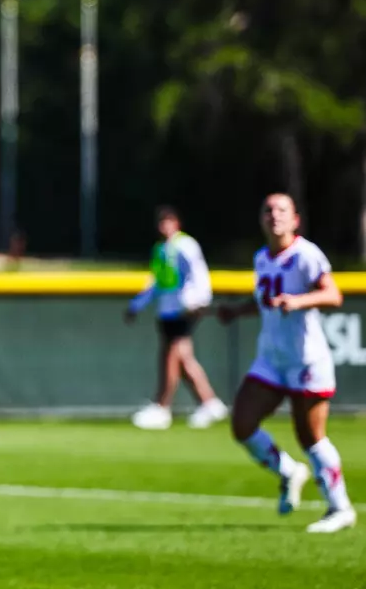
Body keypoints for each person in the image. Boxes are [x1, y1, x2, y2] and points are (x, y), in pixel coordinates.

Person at [217, 193, 355, 534]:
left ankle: (340, 507)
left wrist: (299, 301)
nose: (273, 216)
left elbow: (332, 295)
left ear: (295, 220)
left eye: (281, 210)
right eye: (267, 210)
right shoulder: (262, 257)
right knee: (242, 424)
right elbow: (265, 300)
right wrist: (237, 311)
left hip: (305, 358)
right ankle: (288, 472)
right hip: (272, 357)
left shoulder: (306, 255)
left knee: (310, 436)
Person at [124, 206, 225, 429]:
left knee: (171, 355)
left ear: (177, 224)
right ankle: (210, 402)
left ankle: (162, 407)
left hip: (185, 309)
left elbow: (198, 273)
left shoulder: (186, 245)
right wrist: (137, 304)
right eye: (161, 223)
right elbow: (156, 282)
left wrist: (198, 301)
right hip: (166, 311)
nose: (164, 227)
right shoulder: (160, 249)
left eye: (168, 222)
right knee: (183, 359)